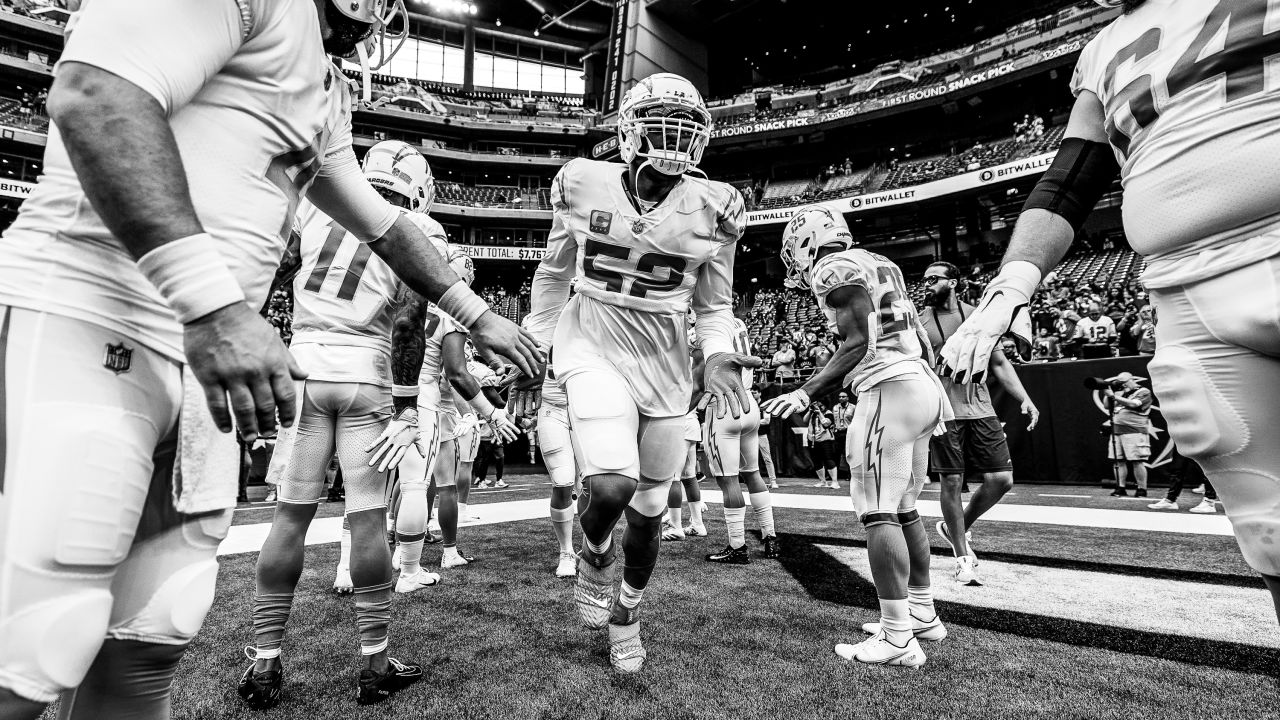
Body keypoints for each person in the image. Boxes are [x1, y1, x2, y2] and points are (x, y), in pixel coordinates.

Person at [0, 1, 542, 717]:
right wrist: (215, 305)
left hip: (215, 359)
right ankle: (371, 654)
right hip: (94, 317)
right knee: (38, 640)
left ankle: (268, 658)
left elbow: (378, 225)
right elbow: (95, 95)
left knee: (152, 633)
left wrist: (480, 315)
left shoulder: (323, 82)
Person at [938, 0, 1280, 625]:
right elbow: (1070, 181)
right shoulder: (1101, 51)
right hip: (1186, 286)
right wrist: (1010, 285)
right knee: (1270, 529)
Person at [516, 73, 756, 673]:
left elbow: (715, 304)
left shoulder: (717, 206)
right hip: (592, 337)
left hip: (666, 357)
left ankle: (629, 610)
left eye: (685, 128)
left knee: (650, 512)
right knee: (612, 484)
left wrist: (718, 350)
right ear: (628, 130)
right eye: (660, 124)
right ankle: (595, 550)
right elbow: (552, 274)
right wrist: (537, 340)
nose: (673, 139)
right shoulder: (579, 182)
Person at [241, 142, 445, 710]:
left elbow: (266, 272)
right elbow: (408, 327)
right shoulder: (413, 227)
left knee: (288, 518)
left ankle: (264, 665)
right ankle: (374, 664)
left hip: (304, 365)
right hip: (367, 370)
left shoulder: (313, 206)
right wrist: (406, 407)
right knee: (367, 520)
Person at [765, 206, 952, 668]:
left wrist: (806, 392)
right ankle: (922, 612)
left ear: (806, 242)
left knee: (878, 511)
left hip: (889, 387)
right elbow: (916, 339)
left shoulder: (833, 267)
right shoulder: (879, 262)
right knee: (905, 507)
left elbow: (859, 342)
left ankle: (896, 637)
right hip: (918, 382)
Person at [919, 261, 1040, 586]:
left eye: (934, 279)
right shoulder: (921, 322)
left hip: (981, 408)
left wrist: (1024, 398)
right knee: (952, 483)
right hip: (944, 411)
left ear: (954, 282)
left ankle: (954, 526)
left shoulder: (979, 313)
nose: (927, 284)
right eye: (926, 279)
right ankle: (962, 556)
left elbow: (999, 361)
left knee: (1001, 479)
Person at [1104, 372, 1153, 497]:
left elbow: (1134, 404)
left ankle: (1142, 489)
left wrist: (1115, 397)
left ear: (1131, 379)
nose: (1123, 384)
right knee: (1118, 461)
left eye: (1124, 381)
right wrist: (1109, 393)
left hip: (1134, 431)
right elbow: (1106, 406)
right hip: (1117, 431)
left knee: (1137, 461)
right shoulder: (1121, 393)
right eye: (1120, 382)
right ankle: (1120, 487)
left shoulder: (1143, 391)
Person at [807, 402, 839, 489]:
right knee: (816, 461)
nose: (818, 407)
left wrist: (819, 413)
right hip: (813, 440)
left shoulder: (828, 413)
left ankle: (835, 482)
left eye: (820, 405)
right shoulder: (812, 414)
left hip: (825, 440)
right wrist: (810, 411)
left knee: (829, 460)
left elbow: (826, 423)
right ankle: (823, 481)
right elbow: (804, 420)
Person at [754, 388, 780, 488]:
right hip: (751, 435)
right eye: (752, 393)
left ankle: (773, 481)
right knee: (752, 459)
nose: (753, 394)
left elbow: (767, 420)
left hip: (761, 435)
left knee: (767, 458)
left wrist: (753, 422)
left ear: (760, 393)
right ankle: (755, 481)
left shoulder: (764, 405)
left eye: (755, 392)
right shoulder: (750, 404)